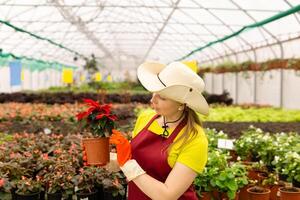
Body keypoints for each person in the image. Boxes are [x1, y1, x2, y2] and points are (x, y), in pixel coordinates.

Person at [110, 61, 209, 200]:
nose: (153, 100)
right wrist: (102, 157)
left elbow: (167, 195)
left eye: (162, 97)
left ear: (182, 104)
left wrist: (127, 163)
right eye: (154, 92)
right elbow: (134, 164)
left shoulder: (194, 138)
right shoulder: (145, 118)